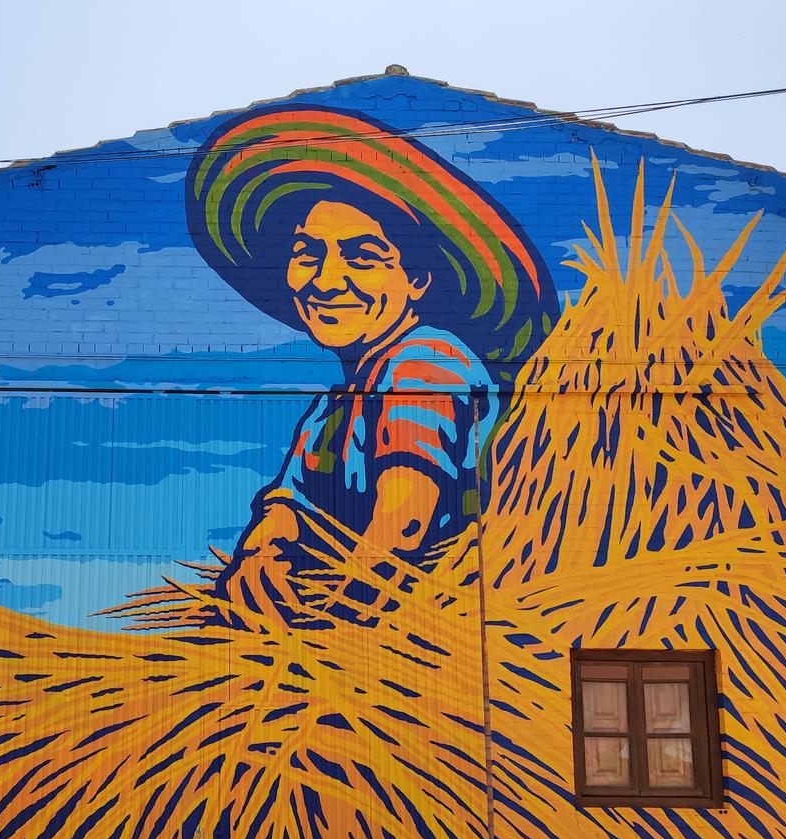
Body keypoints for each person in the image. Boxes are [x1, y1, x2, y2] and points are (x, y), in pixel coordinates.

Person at [186, 107, 556, 628]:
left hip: (430, 627)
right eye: (307, 254)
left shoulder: (425, 362)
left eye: (362, 257)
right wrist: (261, 554)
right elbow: (289, 504)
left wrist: (331, 631)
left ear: (418, 280)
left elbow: (403, 523)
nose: (326, 281)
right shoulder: (333, 407)